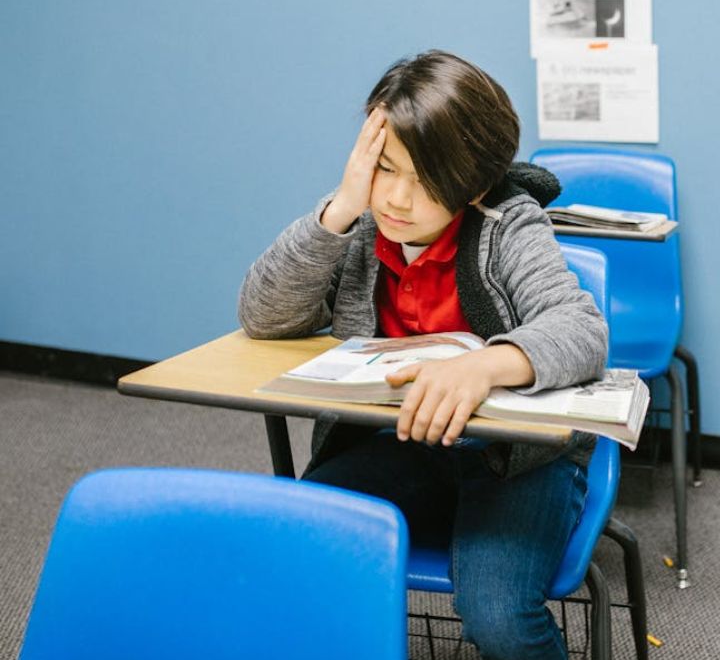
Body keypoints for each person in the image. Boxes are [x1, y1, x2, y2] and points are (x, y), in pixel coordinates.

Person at [238, 50, 607, 660]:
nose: (398, 200)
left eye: (427, 180)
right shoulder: (359, 222)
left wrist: (482, 365)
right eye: (385, 168)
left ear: (474, 184)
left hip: (514, 459)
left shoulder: (506, 223)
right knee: (297, 550)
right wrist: (340, 209)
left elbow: (581, 329)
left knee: (498, 619)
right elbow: (264, 316)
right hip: (400, 445)